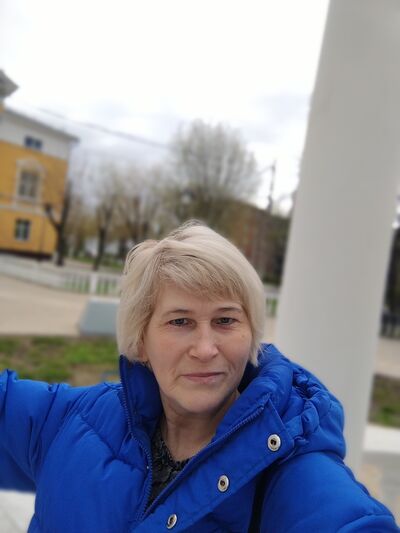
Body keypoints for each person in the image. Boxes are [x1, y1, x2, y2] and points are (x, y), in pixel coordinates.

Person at [0, 221, 398, 532]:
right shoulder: (71, 420)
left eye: (226, 320)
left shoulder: (291, 470)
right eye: (180, 321)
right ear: (140, 342)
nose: (206, 349)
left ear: (251, 333)